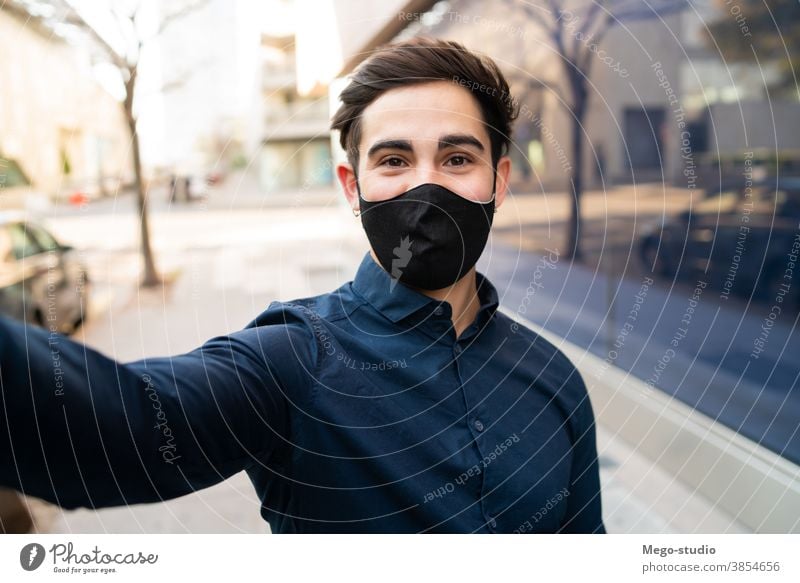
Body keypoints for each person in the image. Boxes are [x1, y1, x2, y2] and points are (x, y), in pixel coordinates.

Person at [0, 37, 605, 534]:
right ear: (351, 185)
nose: (426, 188)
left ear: (498, 181)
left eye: (456, 160)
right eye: (393, 160)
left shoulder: (555, 380)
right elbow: (114, 426)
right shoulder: (291, 361)